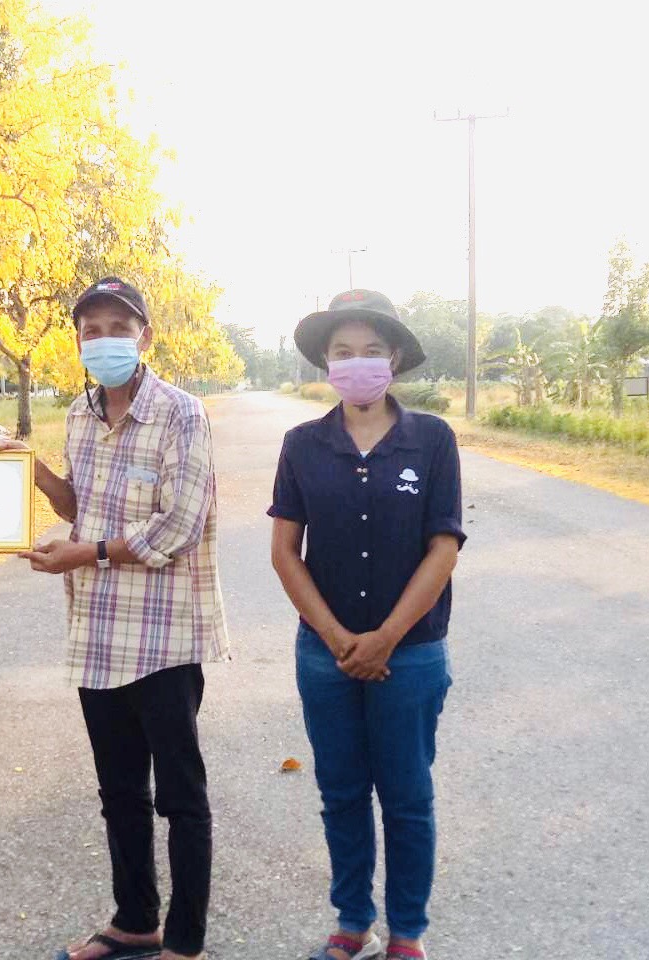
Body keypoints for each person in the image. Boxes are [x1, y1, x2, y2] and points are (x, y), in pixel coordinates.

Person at [0, 277, 229, 960]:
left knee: (180, 796)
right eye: (90, 330)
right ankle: (135, 921)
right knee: (119, 790)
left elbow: (179, 526)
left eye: (118, 328)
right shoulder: (79, 413)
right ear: (78, 340)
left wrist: (86, 553)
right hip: (97, 629)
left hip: (164, 635)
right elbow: (83, 505)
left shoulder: (181, 413)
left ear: (144, 336)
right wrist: (33, 472)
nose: (103, 340)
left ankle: (184, 941)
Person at [268, 290, 465, 960]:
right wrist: (336, 638)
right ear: (326, 363)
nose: (358, 363)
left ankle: (407, 932)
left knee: (407, 798)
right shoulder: (302, 445)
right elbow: (284, 553)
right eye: (343, 352)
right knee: (343, 794)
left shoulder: (431, 440)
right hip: (324, 657)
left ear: (395, 360)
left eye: (372, 351)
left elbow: (443, 546)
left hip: (410, 655)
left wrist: (384, 638)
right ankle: (353, 922)